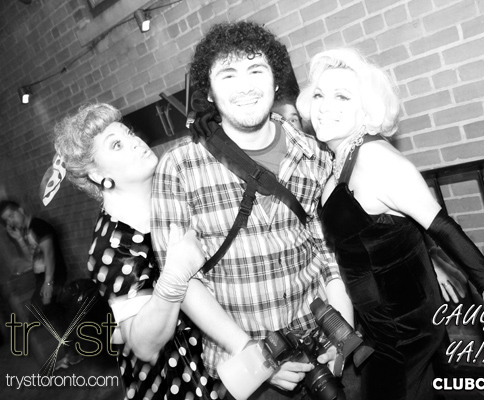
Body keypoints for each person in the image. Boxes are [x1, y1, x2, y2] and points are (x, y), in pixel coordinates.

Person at [296, 48, 484, 400]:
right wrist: (430, 260)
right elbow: (388, 227)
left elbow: (442, 227)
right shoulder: (339, 158)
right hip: (380, 324)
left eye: (342, 96)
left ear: (367, 109)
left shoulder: (377, 159)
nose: (325, 107)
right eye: (319, 95)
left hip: (403, 331)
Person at [151, 21, 355, 399]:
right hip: (245, 366)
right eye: (228, 74)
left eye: (256, 70)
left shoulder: (312, 153)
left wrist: (341, 324)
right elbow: (184, 281)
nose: (245, 86)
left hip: (322, 346)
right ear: (208, 92)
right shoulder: (178, 168)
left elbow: (326, 247)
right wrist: (253, 353)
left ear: (276, 81)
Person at [52, 103, 245, 399]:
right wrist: (175, 275)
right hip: (180, 381)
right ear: (97, 174)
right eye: (116, 144)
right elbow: (143, 344)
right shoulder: (112, 246)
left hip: (224, 357)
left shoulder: (169, 199)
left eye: (129, 133)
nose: (135, 142)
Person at [0, 199, 81, 369]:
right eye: (7, 220)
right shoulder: (27, 231)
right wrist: (19, 239)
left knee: (42, 314)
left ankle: (74, 350)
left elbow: (49, 254)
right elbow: (31, 259)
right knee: (53, 315)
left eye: (11, 215)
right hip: (42, 280)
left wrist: (49, 282)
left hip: (53, 277)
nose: (11, 222)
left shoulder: (39, 226)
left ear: (21, 210)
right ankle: (74, 351)